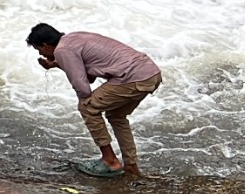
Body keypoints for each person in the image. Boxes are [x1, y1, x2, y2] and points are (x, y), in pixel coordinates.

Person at [26, 22, 162, 179]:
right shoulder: (74, 37)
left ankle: (110, 161)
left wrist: (62, 63)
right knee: (116, 116)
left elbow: (83, 88)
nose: (42, 55)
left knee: (87, 107)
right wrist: (59, 64)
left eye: (40, 50)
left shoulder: (62, 50)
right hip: (150, 73)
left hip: (132, 77)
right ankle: (131, 166)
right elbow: (89, 76)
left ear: (46, 45)